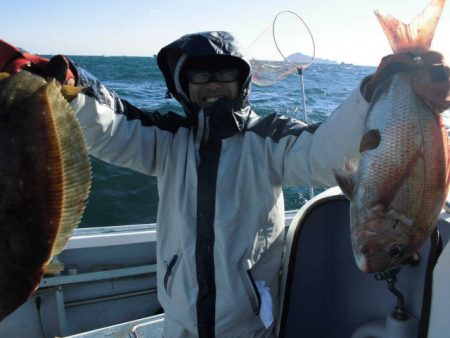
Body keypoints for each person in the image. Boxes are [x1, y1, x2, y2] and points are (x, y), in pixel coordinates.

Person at [1, 31, 449, 337]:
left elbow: (325, 152)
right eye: (200, 75)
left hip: (250, 327)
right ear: (183, 82)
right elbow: (112, 124)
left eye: (223, 75)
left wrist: (373, 90)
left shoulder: (269, 139)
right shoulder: (166, 139)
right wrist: (66, 81)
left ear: (241, 81)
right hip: (178, 324)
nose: (212, 86)